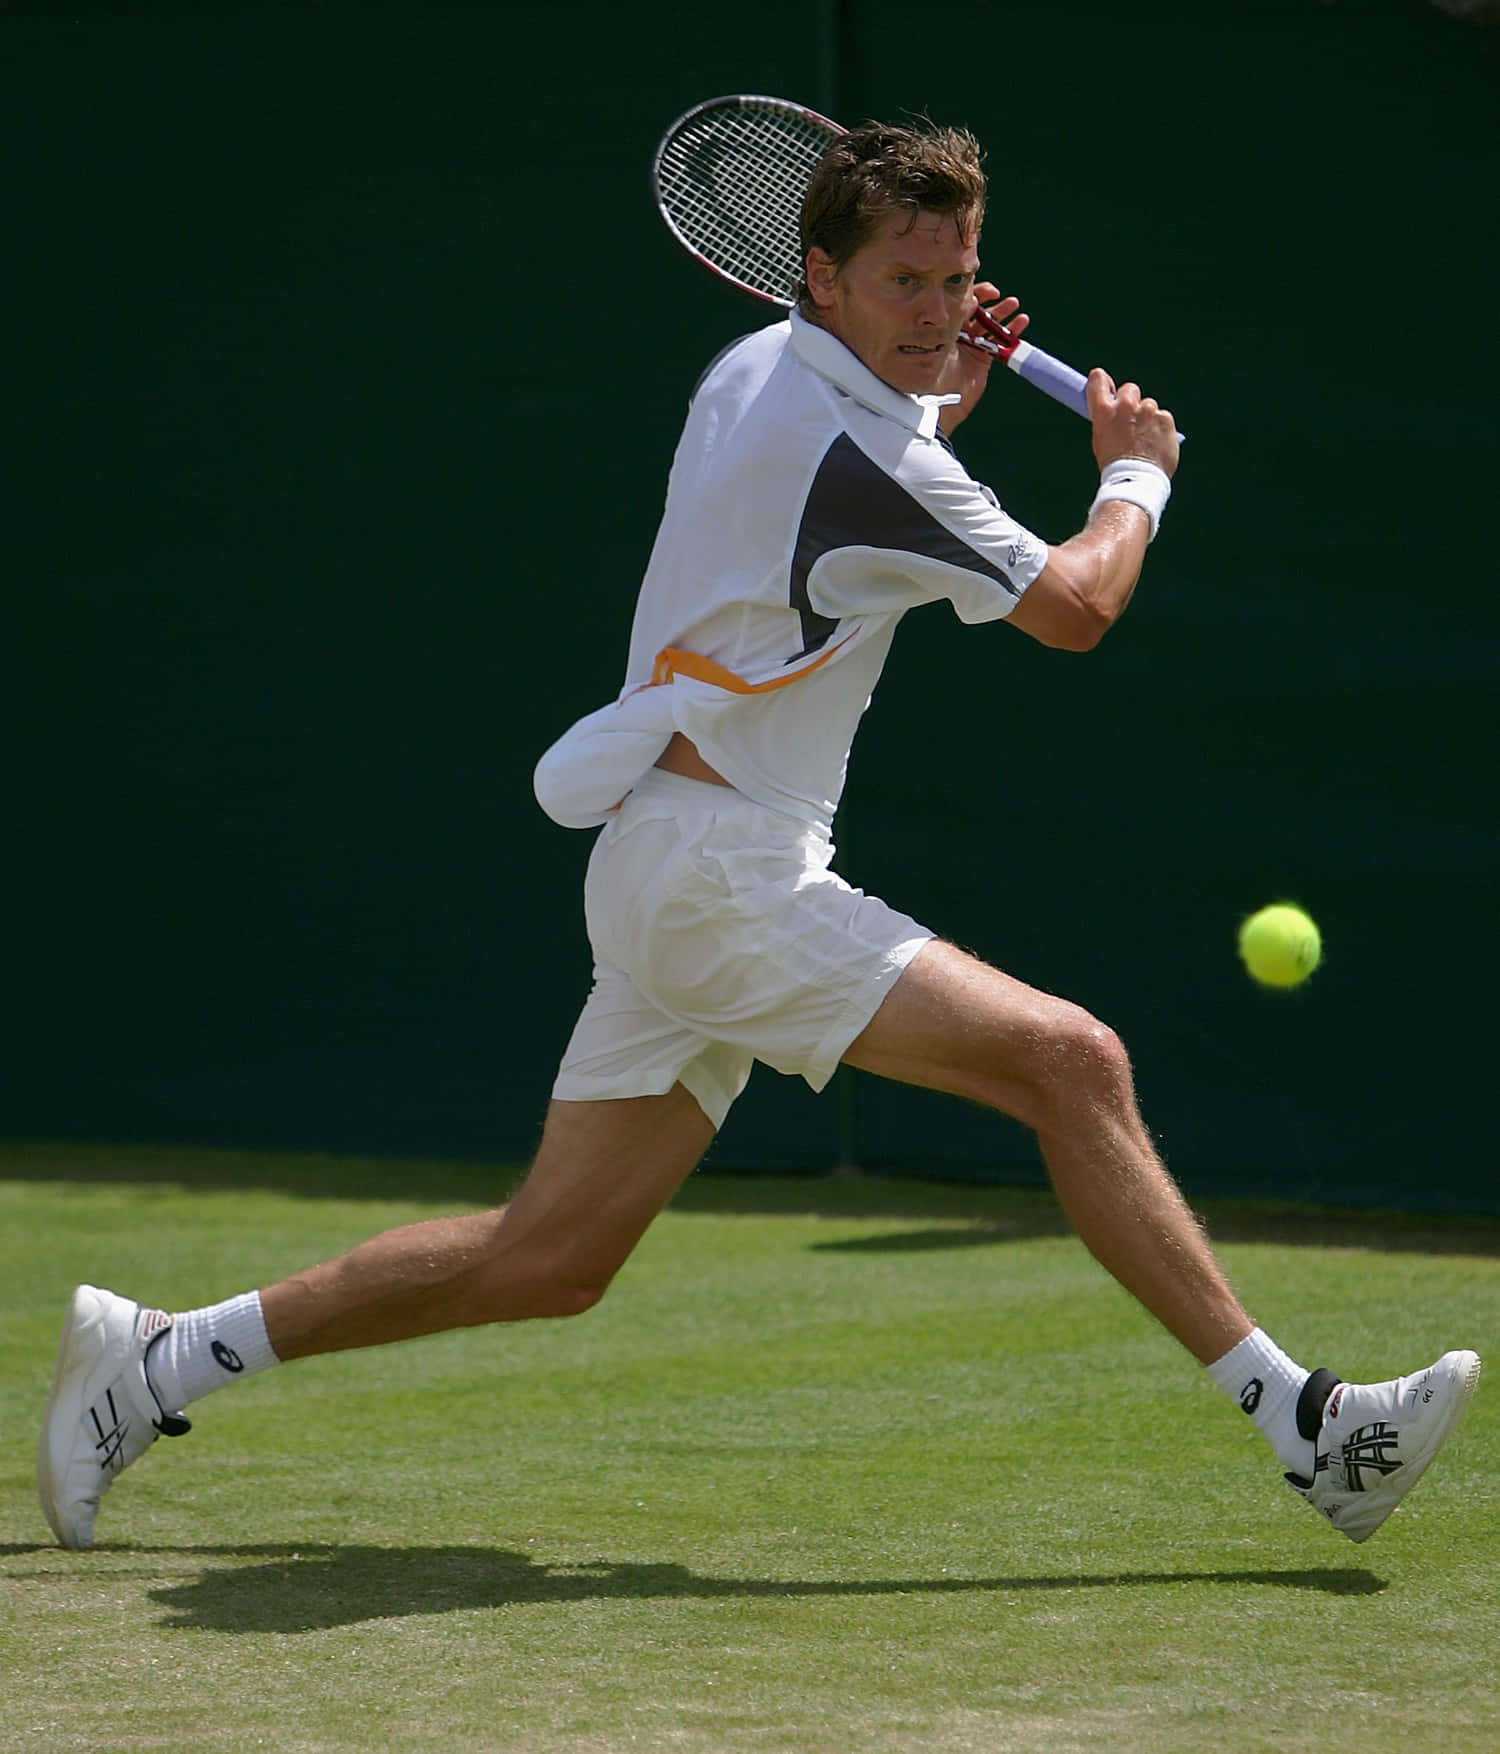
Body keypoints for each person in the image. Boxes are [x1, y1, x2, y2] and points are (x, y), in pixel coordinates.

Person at [38, 119, 1478, 1552]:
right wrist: (1133, 475)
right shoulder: (870, 462)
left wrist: (939, 396)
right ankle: (1311, 1427)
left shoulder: (757, 371)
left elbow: (837, 522)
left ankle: (157, 1360)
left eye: (958, 275)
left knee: (547, 1258)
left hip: (673, 863)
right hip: (725, 874)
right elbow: (1077, 607)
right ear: (823, 275)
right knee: (1071, 1060)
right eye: (904, 283)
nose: (940, 311)